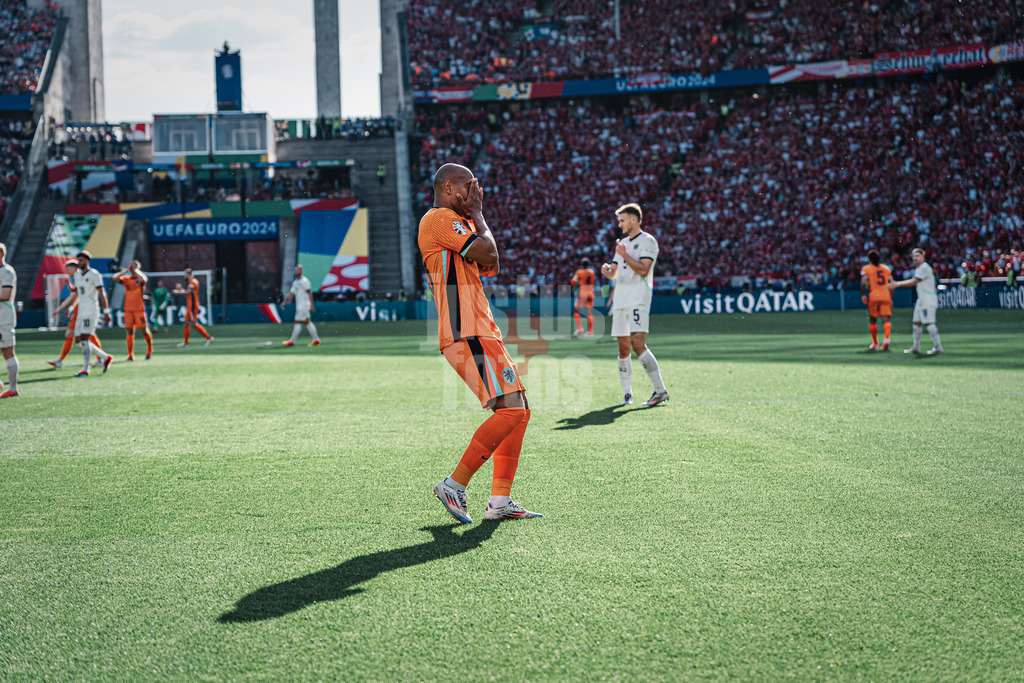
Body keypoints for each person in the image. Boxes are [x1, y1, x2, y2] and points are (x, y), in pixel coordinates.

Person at [418, 163, 540, 523]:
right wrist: (479, 215)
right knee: (512, 411)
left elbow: (493, 261)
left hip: (480, 329)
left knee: (519, 410)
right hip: (465, 329)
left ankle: (500, 501)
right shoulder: (439, 218)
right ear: (450, 186)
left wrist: (477, 217)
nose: (476, 193)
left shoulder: (461, 224)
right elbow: (486, 252)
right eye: (470, 187)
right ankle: (454, 484)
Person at [600, 203, 669, 407]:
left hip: (638, 298)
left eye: (622, 220)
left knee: (638, 343)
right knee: (623, 348)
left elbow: (643, 270)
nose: (619, 224)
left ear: (633, 220)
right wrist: (608, 271)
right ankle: (627, 394)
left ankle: (660, 390)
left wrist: (624, 255)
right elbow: (614, 271)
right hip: (621, 299)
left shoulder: (648, 241)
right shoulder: (622, 244)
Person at [49, 259, 106, 369]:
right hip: (78, 312)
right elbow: (75, 294)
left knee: (86, 337)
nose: (66, 271)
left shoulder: (82, 277)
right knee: (76, 336)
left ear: (74, 268)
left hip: (84, 312)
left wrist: (61, 308)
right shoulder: (78, 279)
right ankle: (61, 360)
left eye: (68, 268)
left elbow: (75, 296)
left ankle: (101, 358)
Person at [890, 247, 944, 355]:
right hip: (921, 300)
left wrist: (897, 284)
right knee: (916, 323)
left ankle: (938, 346)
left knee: (929, 323)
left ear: (923, 257)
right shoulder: (919, 268)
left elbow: (914, 281)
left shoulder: (924, 268)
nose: (915, 258)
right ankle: (916, 347)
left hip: (928, 300)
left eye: (917, 256)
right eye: (914, 256)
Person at [70, 250, 114, 376]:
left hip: (90, 310)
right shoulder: (77, 275)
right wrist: (71, 308)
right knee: (78, 341)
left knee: (84, 338)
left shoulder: (94, 274)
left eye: (81, 260)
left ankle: (85, 369)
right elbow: (78, 293)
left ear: (88, 261)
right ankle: (105, 357)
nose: (79, 262)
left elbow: (102, 293)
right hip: (81, 310)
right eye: (78, 260)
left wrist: (106, 312)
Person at [112, 260, 153, 360]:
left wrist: (136, 270)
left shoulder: (140, 279)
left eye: (133, 266)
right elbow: (114, 278)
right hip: (128, 309)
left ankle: (149, 350)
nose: (131, 267)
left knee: (144, 330)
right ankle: (130, 355)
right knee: (129, 331)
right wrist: (125, 270)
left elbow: (144, 279)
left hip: (139, 309)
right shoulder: (126, 279)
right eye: (130, 265)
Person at [860, 249, 893, 351]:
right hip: (885, 295)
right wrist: (890, 297)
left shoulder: (867, 269)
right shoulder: (886, 269)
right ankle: (887, 339)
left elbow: (863, 283)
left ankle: (875, 343)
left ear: (869, 259)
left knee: (872, 319)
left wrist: (862, 295)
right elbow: (892, 284)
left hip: (874, 296)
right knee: (885, 320)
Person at [281, 264, 320, 346]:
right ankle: (316, 339)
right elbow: (292, 293)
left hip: (304, 305)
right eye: (296, 270)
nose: (296, 272)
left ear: (301, 271)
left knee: (297, 321)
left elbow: (310, 293)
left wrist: (311, 304)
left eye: (298, 270)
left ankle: (292, 341)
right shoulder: (295, 282)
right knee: (307, 322)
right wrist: (285, 301)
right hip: (300, 305)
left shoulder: (305, 281)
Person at [173, 268, 212, 347]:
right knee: (186, 323)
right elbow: (188, 293)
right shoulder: (191, 283)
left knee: (193, 324)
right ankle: (186, 342)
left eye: (185, 274)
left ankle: (208, 337)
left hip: (193, 307)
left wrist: (177, 292)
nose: (184, 275)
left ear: (189, 274)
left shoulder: (193, 282)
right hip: (190, 306)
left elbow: (187, 293)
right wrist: (180, 290)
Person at [0, 243, 19, 398]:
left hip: (3, 318)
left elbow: (6, 295)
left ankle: (13, 389)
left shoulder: (6, 272)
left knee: (8, 352)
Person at [572, 257, 596, 337]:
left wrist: (578, 280)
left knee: (576, 310)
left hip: (583, 293)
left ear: (581, 264)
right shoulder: (592, 272)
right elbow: (593, 282)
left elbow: (573, 281)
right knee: (589, 312)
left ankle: (580, 328)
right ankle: (591, 331)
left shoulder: (579, 272)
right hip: (590, 293)